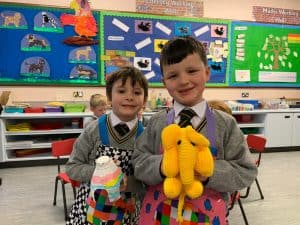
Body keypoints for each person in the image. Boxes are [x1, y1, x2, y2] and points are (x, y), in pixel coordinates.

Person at [132, 36, 257, 223]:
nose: (183, 81)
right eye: (173, 76)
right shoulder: (157, 122)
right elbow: (138, 162)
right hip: (159, 215)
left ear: (206, 73)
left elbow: (245, 171)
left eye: (191, 71)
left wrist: (206, 170)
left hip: (207, 215)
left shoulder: (226, 124)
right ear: (164, 82)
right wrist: (163, 165)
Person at [66, 66, 149, 225]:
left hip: (127, 212)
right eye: (122, 91)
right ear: (109, 97)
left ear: (144, 100)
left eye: (137, 92)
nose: (129, 97)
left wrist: (129, 182)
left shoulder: (145, 137)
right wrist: (102, 174)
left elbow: (147, 180)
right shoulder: (93, 129)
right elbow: (72, 167)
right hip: (90, 209)